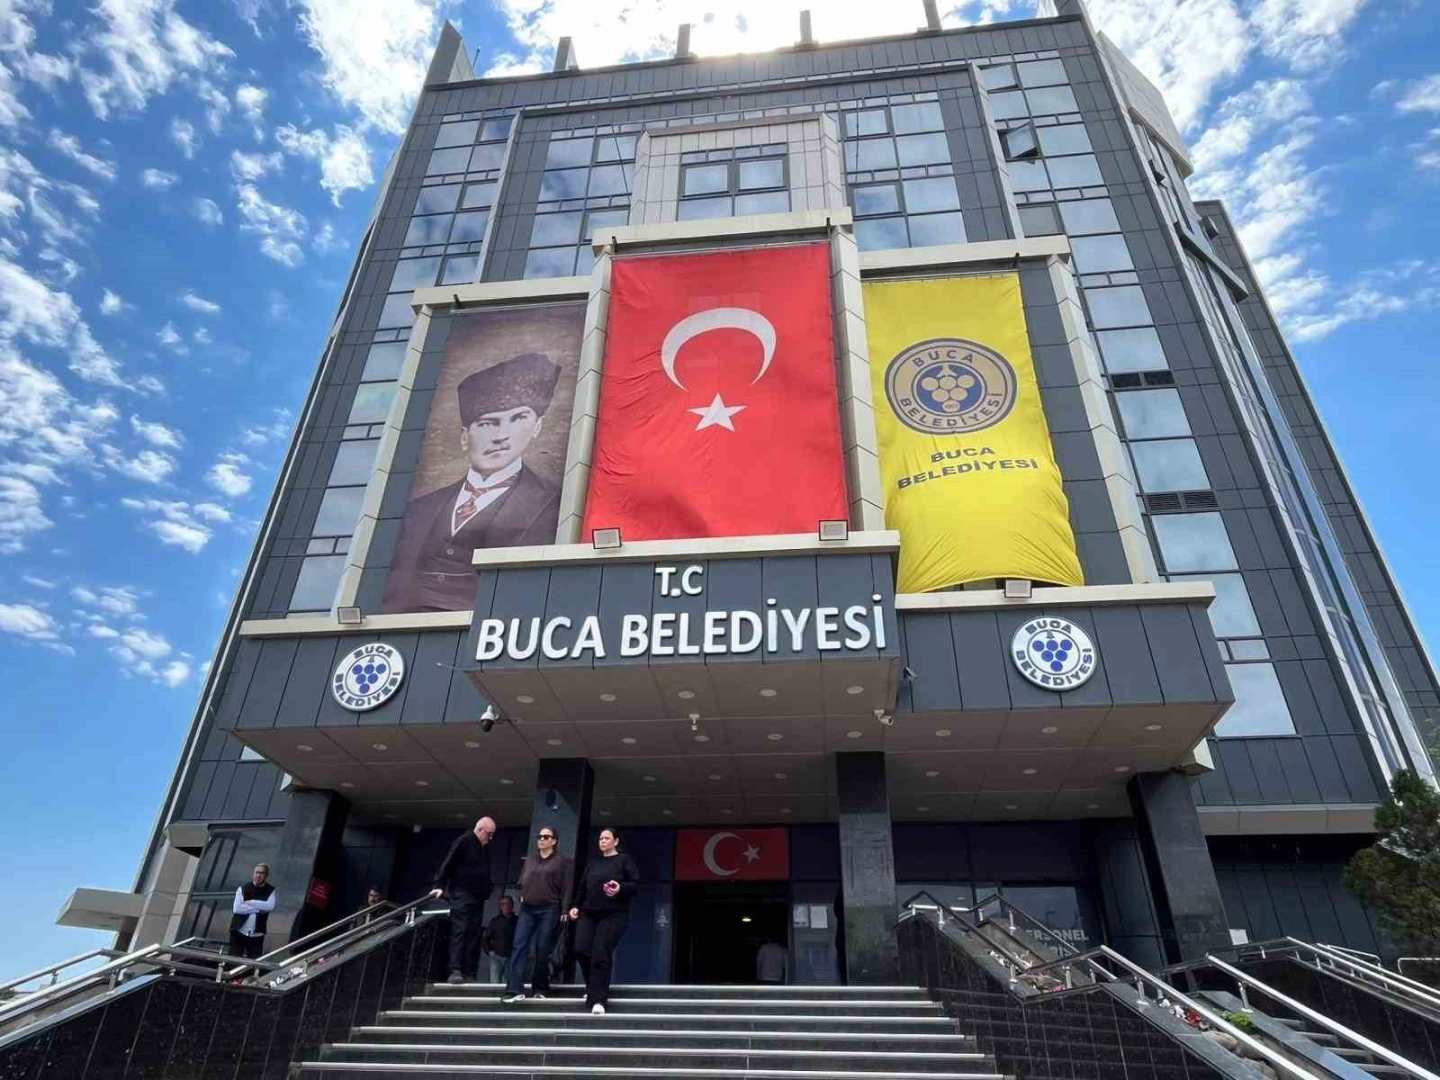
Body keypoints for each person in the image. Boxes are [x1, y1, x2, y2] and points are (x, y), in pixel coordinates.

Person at [383, 353, 563, 612]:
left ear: (537, 426)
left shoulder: (557, 506)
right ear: (465, 437)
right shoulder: (417, 510)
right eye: (487, 423)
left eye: (517, 419)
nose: (501, 436)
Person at [568, 828, 639, 1015]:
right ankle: (593, 986)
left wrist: (620, 888)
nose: (602, 841)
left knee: (600, 953)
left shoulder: (624, 860)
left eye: (607, 838)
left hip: (614, 914)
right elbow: (582, 888)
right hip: (589, 912)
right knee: (581, 949)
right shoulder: (593, 864)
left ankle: (598, 1000)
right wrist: (575, 906)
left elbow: (635, 885)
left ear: (615, 841)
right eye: (600, 838)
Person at [502, 826, 573, 1004]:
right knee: (518, 945)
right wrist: (521, 894)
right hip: (528, 909)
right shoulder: (530, 860)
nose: (541, 839)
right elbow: (521, 882)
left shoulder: (562, 862)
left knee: (542, 948)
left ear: (554, 841)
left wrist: (565, 910)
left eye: (546, 837)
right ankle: (514, 989)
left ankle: (540, 987)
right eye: (539, 836)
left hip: (550, 908)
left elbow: (567, 887)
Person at [430, 816, 497, 984]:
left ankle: (468, 971)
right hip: (462, 894)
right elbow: (448, 863)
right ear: (480, 830)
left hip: (478, 897)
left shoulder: (484, 848)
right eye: (489, 834)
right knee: (459, 931)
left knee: (473, 934)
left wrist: (487, 890)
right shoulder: (464, 841)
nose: (490, 838)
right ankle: (454, 969)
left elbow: (486, 871)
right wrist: (439, 885)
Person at [230, 863, 276, 960]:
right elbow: (237, 909)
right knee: (233, 961)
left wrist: (250, 902)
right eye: (257, 872)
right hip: (239, 932)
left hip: (257, 935)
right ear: (253, 873)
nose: (258, 875)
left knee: (253, 963)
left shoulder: (271, 890)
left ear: (266, 875)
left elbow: (269, 906)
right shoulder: (242, 889)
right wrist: (258, 909)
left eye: (262, 873)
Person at [484, 895, 518, 985]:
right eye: (503, 904)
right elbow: (486, 939)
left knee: (508, 983)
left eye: (507, 903)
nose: (505, 906)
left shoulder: (517, 921)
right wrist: (489, 951)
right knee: (494, 983)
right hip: (497, 957)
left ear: (512, 905)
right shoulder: (495, 921)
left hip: (511, 957)